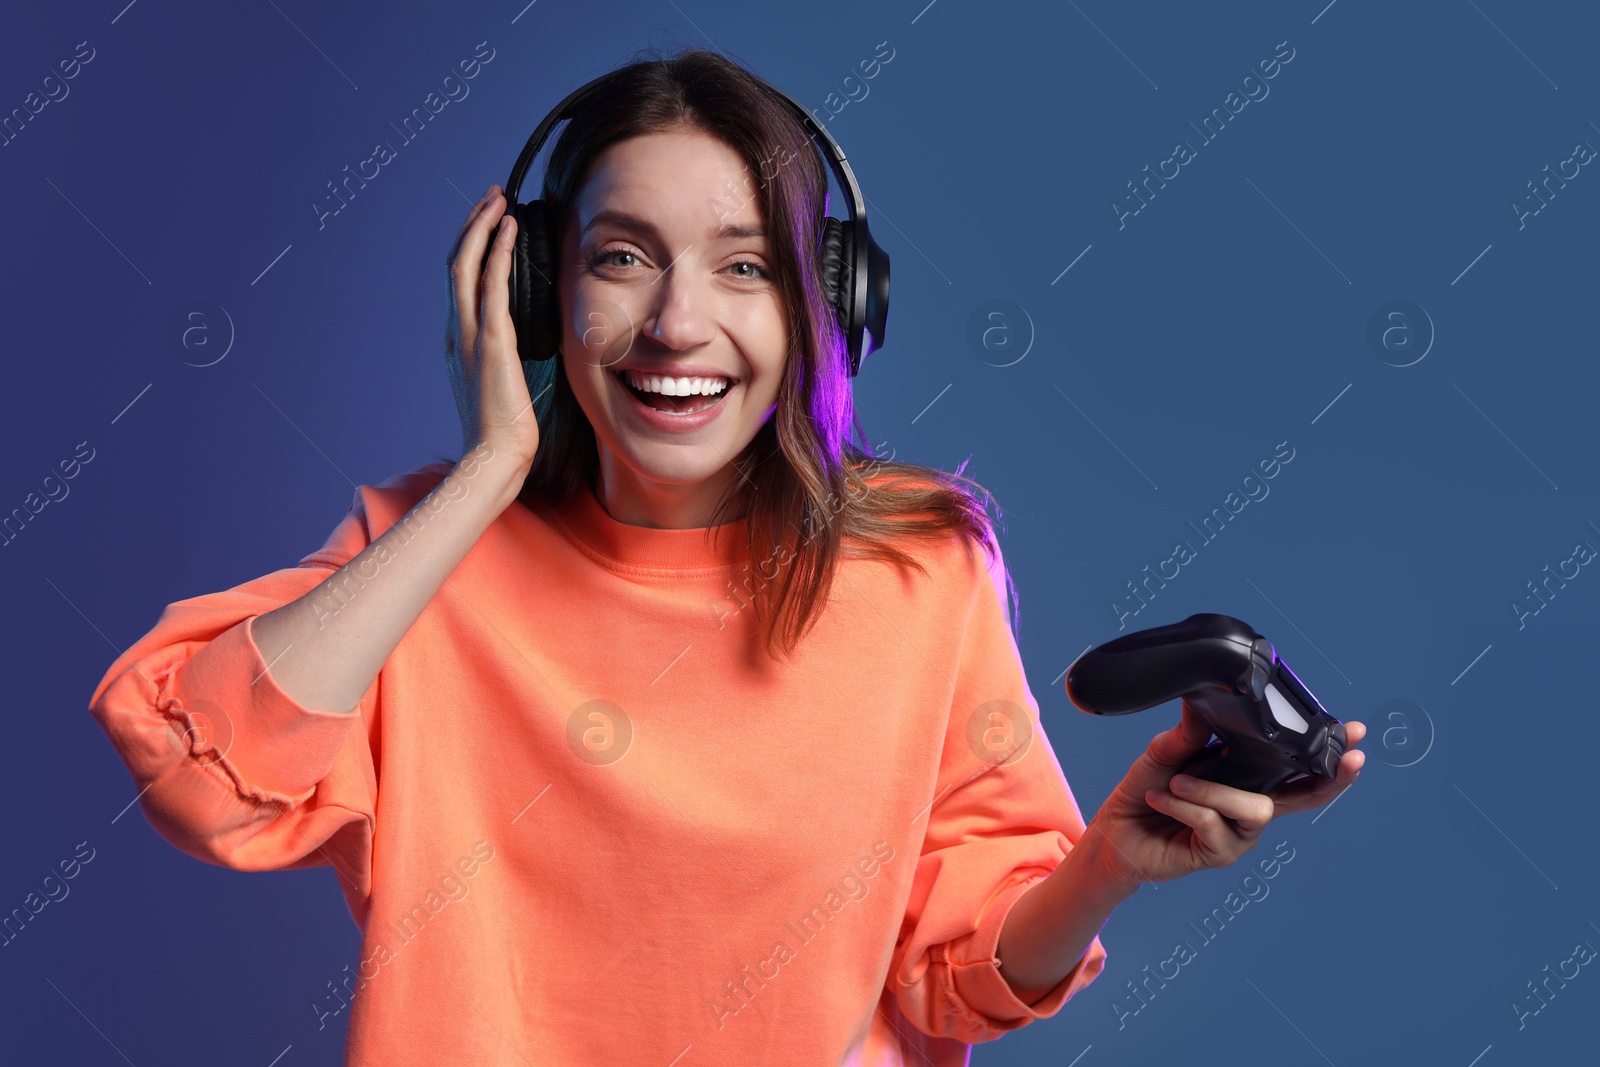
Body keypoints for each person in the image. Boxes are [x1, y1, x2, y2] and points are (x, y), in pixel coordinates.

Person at [86, 47, 1365, 1067]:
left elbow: (951, 972)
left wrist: (1107, 863)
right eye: (622, 257)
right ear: (537, 292)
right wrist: (483, 475)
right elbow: (206, 783)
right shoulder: (419, 559)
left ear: (827, 303)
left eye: (744, 265)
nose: (676, 323)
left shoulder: (920, 567)